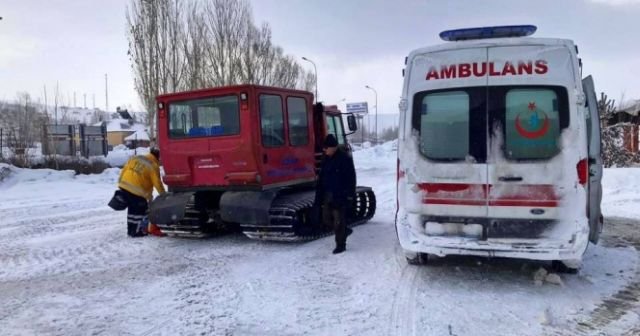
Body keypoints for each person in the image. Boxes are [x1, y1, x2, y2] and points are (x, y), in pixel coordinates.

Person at [316, 134, 356, 254]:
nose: (324, 150)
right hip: (328, 194)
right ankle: (345, 230)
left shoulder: (344, 159)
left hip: (340, 195)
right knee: (326, 219)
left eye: (326, 148)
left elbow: (351, 178)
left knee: (339, 221)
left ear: (333, 147)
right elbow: (321, 178)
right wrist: (318, 198)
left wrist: (349, 195)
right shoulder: (326, 159)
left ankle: (340, 245)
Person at [117, 147, 165, 237]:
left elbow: (124, 169)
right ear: (158, 157)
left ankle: (130, 231)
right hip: (137, 190)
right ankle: (137, 232)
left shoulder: (136, 158)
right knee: (140, 211)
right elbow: (157, 183)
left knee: (132, 210)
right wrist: (163, 195)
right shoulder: (153, 165)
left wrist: (120, 184)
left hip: (125, 186)